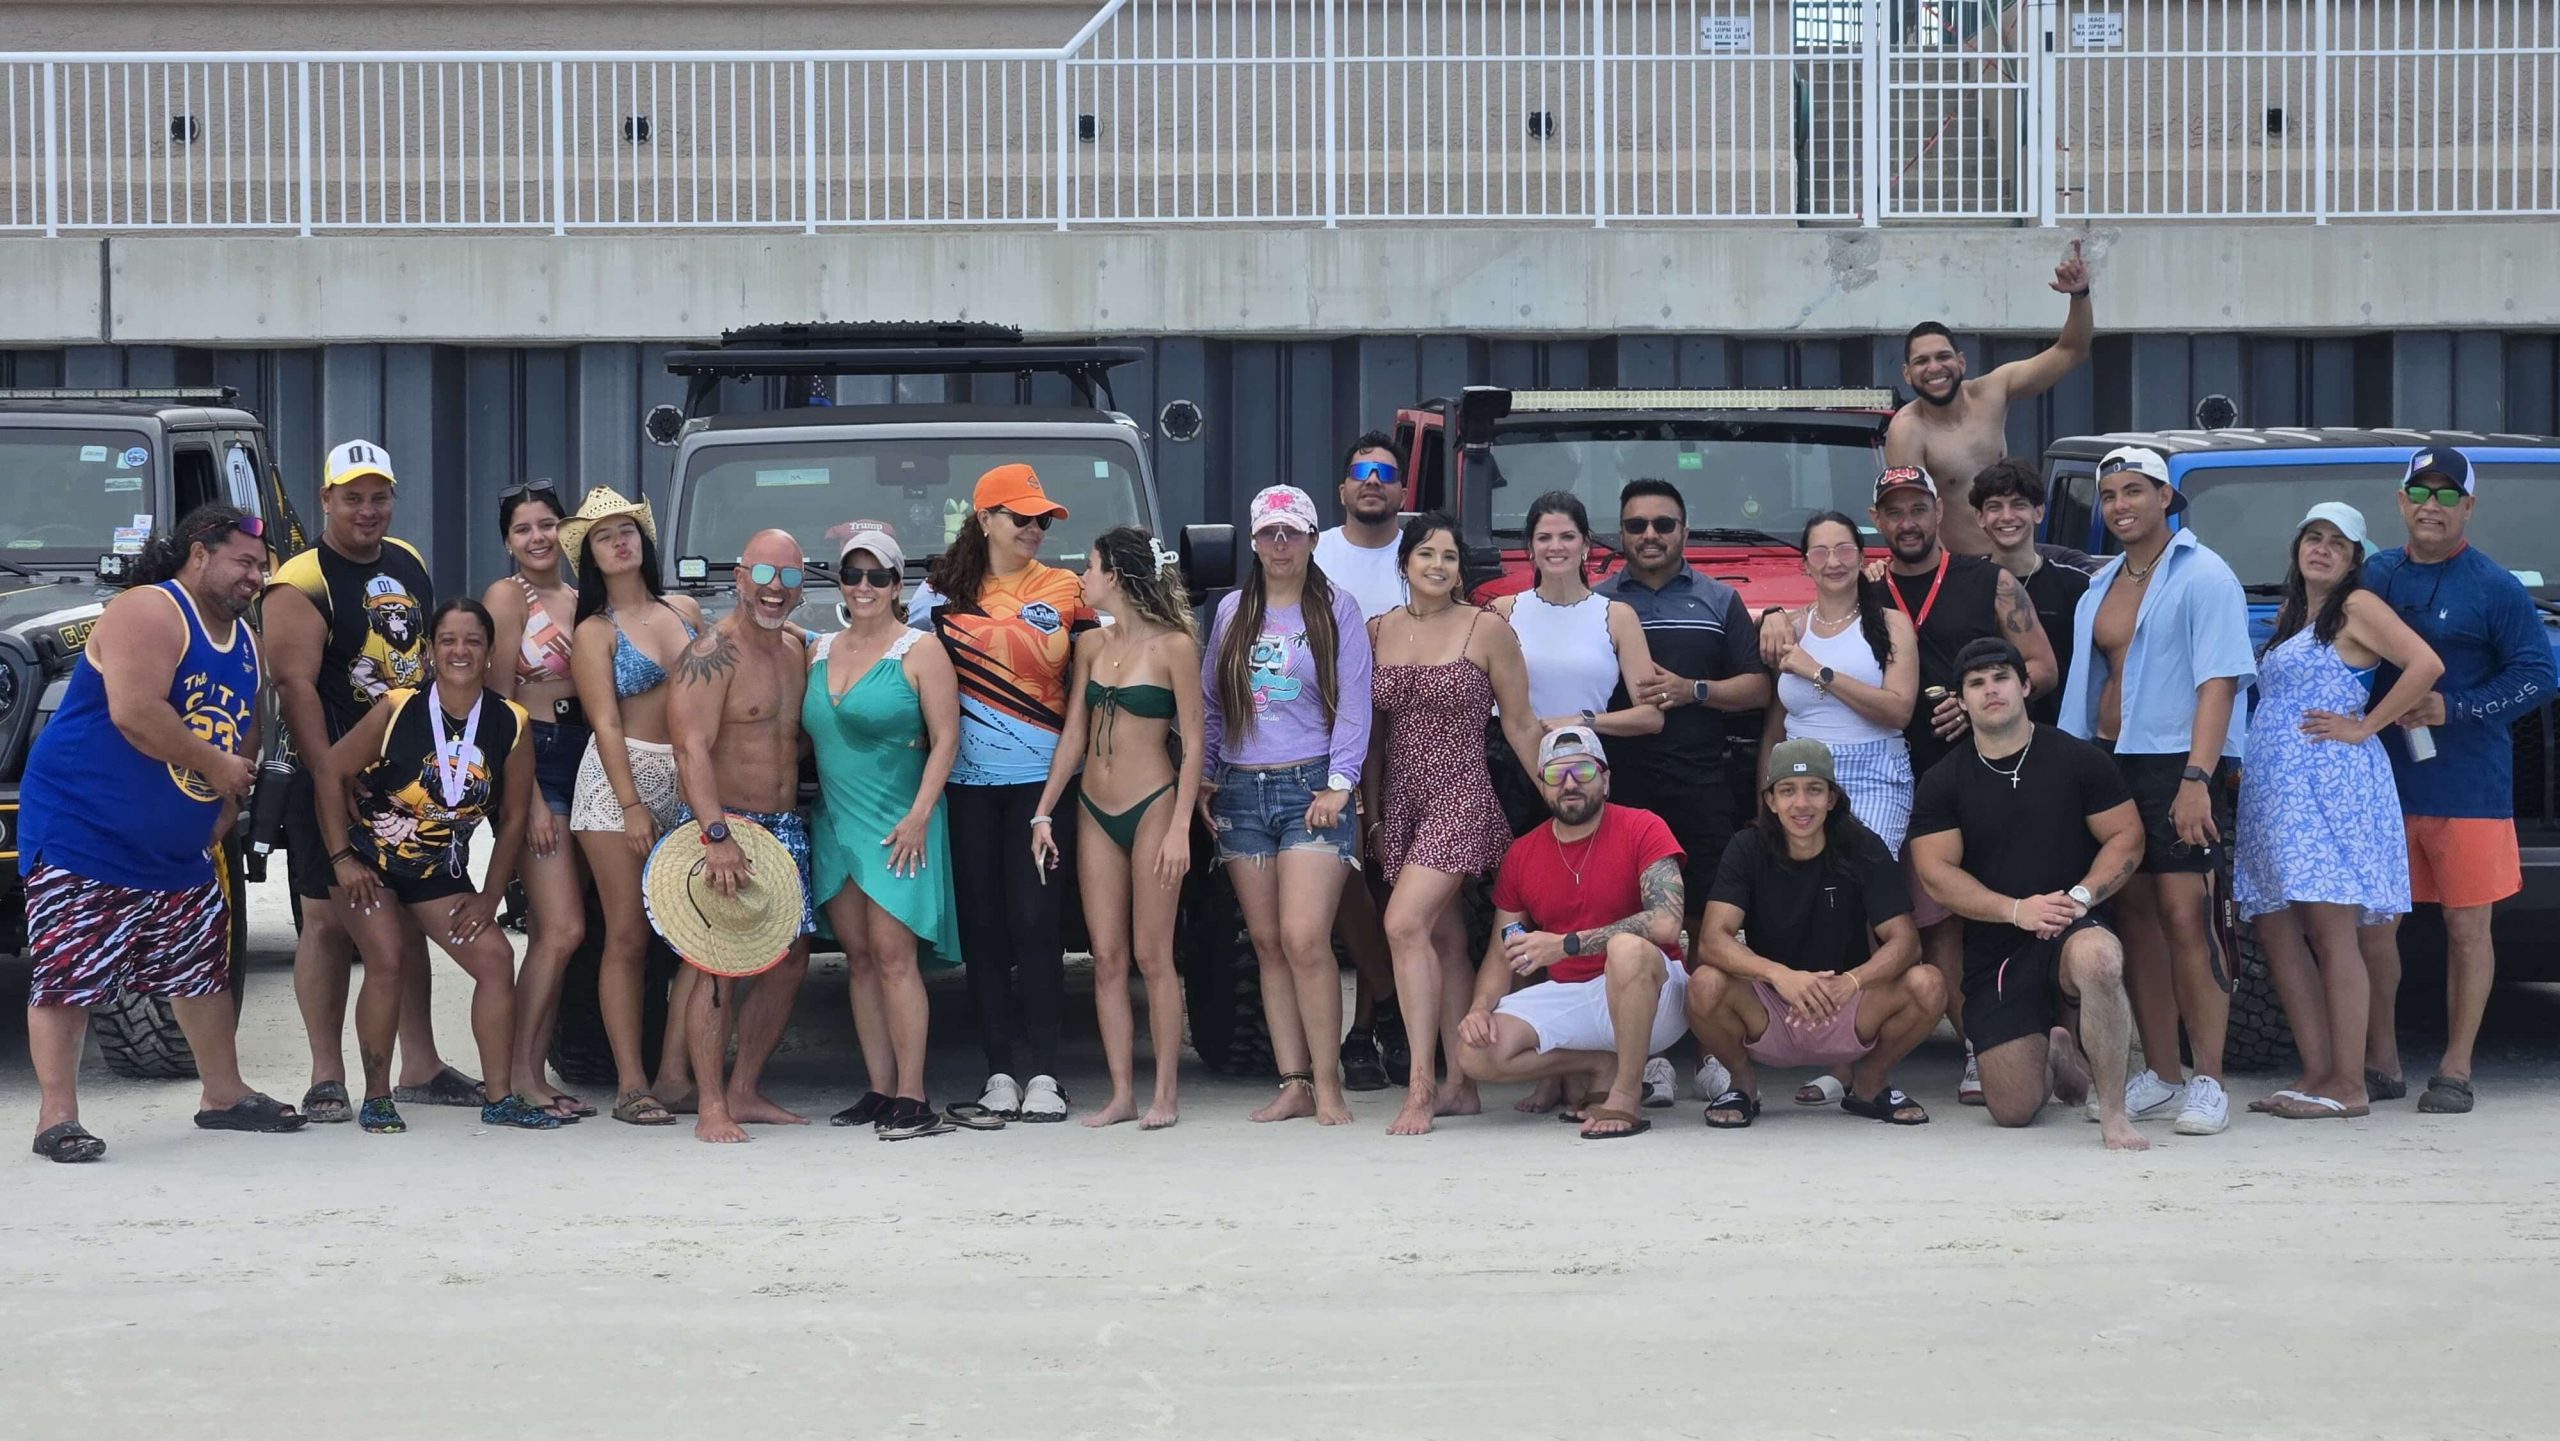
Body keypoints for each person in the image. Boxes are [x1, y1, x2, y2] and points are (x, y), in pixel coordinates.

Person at [1761, 465, 2057, 1105]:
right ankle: (1847, 1047)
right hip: (1889, 771)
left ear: (1939, 511)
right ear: (1879, 522)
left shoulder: (1989, 579)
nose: (1908, 522)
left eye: (1918, 508)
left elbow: (2041, 667)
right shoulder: (1871, 584)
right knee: (1864, 912)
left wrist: (1973, 702)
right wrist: (1777, 620)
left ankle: (1984, 1042)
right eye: (1893, 512)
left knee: (1950, 917)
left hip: (1966, 774)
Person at [20, 506, 303, 1162]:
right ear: (199, 554)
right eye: (243, 561)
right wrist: (217, 765)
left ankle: (223, 1093)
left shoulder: (246, 640)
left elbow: (248, 721)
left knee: (201, 968)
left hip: (175, 847)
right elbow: (135, 709)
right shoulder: (149, 610)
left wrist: (232, 793)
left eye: (260, 567)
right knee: (69, 972)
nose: (254, 576)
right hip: (84, 828)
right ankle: (56, 1116)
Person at [266, 440, 476, 1124]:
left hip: (405, 779)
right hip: (329, 775)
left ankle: (421, 1064)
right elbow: (294, 687)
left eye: (378, 495)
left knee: (404, 918)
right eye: (351, 496)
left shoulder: (407, 560)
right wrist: (334, 773)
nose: (366, 508)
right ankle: (328, 1073)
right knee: (327, 925)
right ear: (324, 499)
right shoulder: (300, 580)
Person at [2056, 445, 2256, 1137]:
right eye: (2109, 493)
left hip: (2177, 763)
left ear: (2166, 498)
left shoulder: (2206, 575)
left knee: (2187, 919)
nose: (2120, 505)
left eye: (2134, 490)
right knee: (2135, 918)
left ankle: (2210, 1080)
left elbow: (2220, 682)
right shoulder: (2102, 580)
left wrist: (2198, 778)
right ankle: (2163, 1074)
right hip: (2110, 762)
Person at [314, 599, 561, 1133]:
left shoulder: (510, 722)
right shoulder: (399, 706)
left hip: (435, 870)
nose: (460, 650)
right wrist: (340, 859)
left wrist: (491, 897)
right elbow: (331, 772)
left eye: (473, 640)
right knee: (386, 957)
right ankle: (377, 1096)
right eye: (448, 639)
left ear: (491, 651)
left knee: (495, 960)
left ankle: (500, 1098)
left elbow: (514, 819)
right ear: (430, 649)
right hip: (367, 861)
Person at [2361, 448, 2557, 1115]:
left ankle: (2456, 1067)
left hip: (2470, 787)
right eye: (2421, 493)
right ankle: (2381, 1060)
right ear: (2400, 500)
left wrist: (2459, 707)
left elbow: (2538, 674)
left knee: (2468, 926)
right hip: (2383, 784)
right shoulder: (2376, 575)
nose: (2431, 507)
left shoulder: (2495, 585)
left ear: (2468, 507)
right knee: (2375, 925)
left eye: (2448, 497)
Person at [2236, 503, 2442, 1120]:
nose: (2321, 549)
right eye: (2313, 538)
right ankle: (2317, 1070)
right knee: (2277, 930)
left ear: (2355, 559)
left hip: (2329, 788)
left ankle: (2349, 1085)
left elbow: (2426, 665)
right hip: (2276, 792)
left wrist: (2365, 727)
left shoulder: (2357, 607)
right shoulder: (2297, 615)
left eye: (2338, 543)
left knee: (2331, 931)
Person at [1907, 639, 2151, 1151]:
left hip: (2070, 922)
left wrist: (2082, 897)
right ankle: (2058, 1052)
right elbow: (1936, 874)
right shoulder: (1943, 781)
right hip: (1998, 944)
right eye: (1976, 683)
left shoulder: (2077, 760)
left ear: (2023, 686)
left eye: (2000, 677)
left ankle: (2113, 1112)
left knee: (2101, 958)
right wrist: (2015, 911)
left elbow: (2126, 836)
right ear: (1961, 700)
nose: (1990, 690)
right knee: (2013, 1111)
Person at [915, 465, 1095, 1126]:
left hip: (1041, 790)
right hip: (964, 788)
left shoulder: (1067, 587)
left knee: (1037, 924)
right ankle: (997, 1071)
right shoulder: (937, 594)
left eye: (1042, 519)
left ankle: (1046, 1072)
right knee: (984, 931)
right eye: (1020, 517)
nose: (1034, 529)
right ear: (984, 517)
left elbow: (1095, 675)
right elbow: (901, 671)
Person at [1367, 511, 1545, 1135]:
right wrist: (1370, 807)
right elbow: (1373, 735)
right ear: (1406, 563)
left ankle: (1420, 1085)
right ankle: (1462, 1086)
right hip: (1402, 802)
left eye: (1449, 557)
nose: (1438, 566)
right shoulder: (1376, 630)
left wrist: (1560, 798)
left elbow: (1520, 724)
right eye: (1427, 555)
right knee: (1442, 941)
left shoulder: (1486, 628)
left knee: (1402, 923)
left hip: (1460, 794)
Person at [1201, 483, 1373, 1126]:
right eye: (1270, 533)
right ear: (1254, 540)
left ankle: (1329, 1084)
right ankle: (1294, 1079)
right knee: (1269, 942)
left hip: (1311, 788)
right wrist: (1208, 776)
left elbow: (1355, 703)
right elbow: (1214, 701)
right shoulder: (1232, 612)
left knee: (1306, 938)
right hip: (1243, 787)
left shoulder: (1337, 610)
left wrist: (1341, 782)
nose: (1281, 544)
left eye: (1292, 533)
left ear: (1311, 539)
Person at [1031, 527, 1205, 1131]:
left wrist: (1182, 825)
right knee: (1105, 957)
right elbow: (1073, 735)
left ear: (1118, 576)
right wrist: (1044, 809)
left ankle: (1165, 1093)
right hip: (1094, 809)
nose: (1083, 575)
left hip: (1154, 802)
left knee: (1153, 955)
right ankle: (1122, 1093)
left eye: (1090, 565)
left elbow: (1195, 743)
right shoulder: (1089, 646)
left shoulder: (1174, 647)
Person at [1688, 739, 1943, 1128]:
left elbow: (1905, 941)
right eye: (1787, 791)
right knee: (1704, 984)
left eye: (1814, 790)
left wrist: (1852, 983)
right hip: (1771, 1008)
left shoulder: (1862, 845)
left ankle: (1870, 1085)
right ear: (1771, 801)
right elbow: (1712, 940)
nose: (1801, 804)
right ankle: (1742, 1085)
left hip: (1848, 1004)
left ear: (1832, 798)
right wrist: (1780, 976)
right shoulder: (1746, 847)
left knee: (1928, 983)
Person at [1452, 726, 1689, 1141]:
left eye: (1582, 770)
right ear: (1542, 787)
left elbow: (1666, 922)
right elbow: (1501, 950)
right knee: (1475, 1053)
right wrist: (1479, 1008)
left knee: (1627, 950)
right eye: (1555, 775)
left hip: (1652, 994)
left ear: (1606, 779)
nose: (1569, 784)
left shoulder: (1644, 827)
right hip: (1576, 995)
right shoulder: (1523, 853)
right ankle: (1598, 1064)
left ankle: (1627, 1093)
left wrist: (1567, 944)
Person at [807, 523, 962, 1141]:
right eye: (852, 574)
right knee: (861, 960)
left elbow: (948, 738)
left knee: (897, 960)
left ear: (899, 585)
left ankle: (913, 1096)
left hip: (901, 822)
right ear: (840, 582)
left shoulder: (920, 650)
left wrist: (921, 814)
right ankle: (877, 1090)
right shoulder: (817, 648)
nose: (864, 585)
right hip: (836, 822)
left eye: (878, 575)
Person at [666, 530, 819, 1145]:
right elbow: (689, 749)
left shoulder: (796, 650)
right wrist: (715, 835)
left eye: (787, 575)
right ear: (738, 575)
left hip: (785, 827)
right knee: (715, 968)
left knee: (790, 961)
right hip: (726, 823)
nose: (774, 589)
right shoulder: (711, 654)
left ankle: (745, 1089)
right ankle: (709, 1106)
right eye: (763, 573)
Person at [563, 487, 706, 1127]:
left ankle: (677, 1073)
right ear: (591, 556)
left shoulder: (685, 610)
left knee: (687, 933)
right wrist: (631, 805)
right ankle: (630, 1083)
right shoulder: (593, 632)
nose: (619, 541)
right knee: (626, 933)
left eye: (627, 531)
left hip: (685, 777)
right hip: (620, 784)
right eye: (603, 536)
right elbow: (604, 724)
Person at [1600, 479, 1772, 948]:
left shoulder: (1719, 599)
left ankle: (1700, 1013)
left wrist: (1691, 690)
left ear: (1684, 531)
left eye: (1663, 524)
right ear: (1620, 532)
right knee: (1620, 912)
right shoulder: (1594, 602)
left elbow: (1758, 689)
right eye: (1636, 525)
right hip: (1618, 783)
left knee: (1705, 914)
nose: (1649, 534)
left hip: (1700, 781)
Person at [480, 480, 591, 1122]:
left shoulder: (579, 598)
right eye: (523, 529)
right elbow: (499, 707)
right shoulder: (507, 597)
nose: (538, 538)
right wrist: (530, 804)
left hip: (585, 758)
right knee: (560, 929)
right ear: (508, 541)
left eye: (547, 524)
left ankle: (535, 1071)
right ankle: (519, 1075)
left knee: (560, 933)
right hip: (536, 761)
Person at [1312, 431, 1409, 1094]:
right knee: (1339, 872)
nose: (1373, 481)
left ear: (1402, 489)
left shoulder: (1421, 550)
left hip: (1409, 734)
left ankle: (1368, 1030)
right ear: (1343, 488)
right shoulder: (1311, 549)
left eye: (1386, 472)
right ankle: (1393, 1003)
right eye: (1360, 471)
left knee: (1390, 878)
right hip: (1321, 735)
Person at [1888, 243, 2094, 553]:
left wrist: (2080, 295)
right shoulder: (1908, 430)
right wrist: (1947, 584)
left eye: (1943, 357)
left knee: (2076, 568)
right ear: (1907, 373)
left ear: (1961, 362)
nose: (1934, 368)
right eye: (1922, 361)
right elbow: (1914, 518)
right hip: (1962, 568)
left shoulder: (1991, 392)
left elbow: (2070, 352)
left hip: (2017, 559)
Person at [1489, 490, 1664, 822]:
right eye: (1544, 537)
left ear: (1585, 545)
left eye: (1567, 536)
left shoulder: (1618, 616)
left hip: (1585, 770)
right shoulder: (1501, 612)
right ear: (1530, 548)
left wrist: (1583, 720)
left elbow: (1651, 717)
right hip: (1510, 772)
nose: (1556, 546)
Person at [1760, 511, 1919, 856]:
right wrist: (1764, 802)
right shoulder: (1788, 628)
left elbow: (1899, 711)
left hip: (1873, 771)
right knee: (1803, 884)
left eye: (1844, 550)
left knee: (1863, 877)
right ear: (1804, 564)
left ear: (1862, 557)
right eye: (1820, 552)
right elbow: (1774, 730)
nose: (1833, 562)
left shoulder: (1892, 625)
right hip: (1799, 772)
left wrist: (1819, 672)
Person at [1969, 458, 2100, 725]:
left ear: (2039, 512)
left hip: (2063, 734)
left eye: (2019, 505)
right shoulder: (1964, 586)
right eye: (1994, 507)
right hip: (1983, 738)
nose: (2007, 517)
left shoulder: (2078, 586)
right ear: (1980, 517)